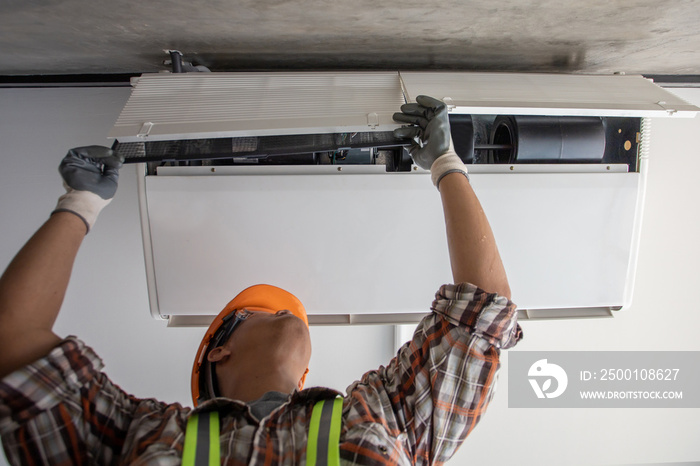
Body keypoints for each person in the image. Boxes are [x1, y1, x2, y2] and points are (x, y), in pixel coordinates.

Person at [0, 96, 522, 465]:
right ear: (302, 379)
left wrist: (79, 205)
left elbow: (13, 340)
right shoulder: (384, 419)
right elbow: (483, 313)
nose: (290, 314)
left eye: (266, 312)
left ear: (219, 352)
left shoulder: (142, 436)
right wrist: (449, 167)